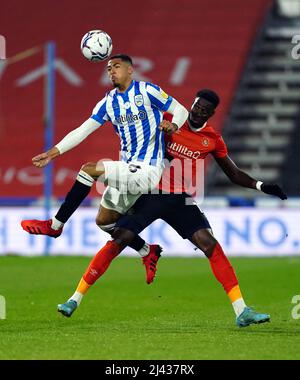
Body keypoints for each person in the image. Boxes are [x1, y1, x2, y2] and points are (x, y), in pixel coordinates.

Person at [55, 89, 287, 327]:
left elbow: (234, 173)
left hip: (179, 199)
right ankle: (74, 299)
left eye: (205, 110)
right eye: (197, 106)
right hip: (149, 193)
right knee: (119, 239)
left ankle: (242, 310)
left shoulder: (212, 139)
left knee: (210, 244)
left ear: (212, 113)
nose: (198, 112)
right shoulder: (168, 120)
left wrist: (261, 186)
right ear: (192, 103)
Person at [21, 53, 188, 265]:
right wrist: (53, 152)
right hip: (128, 169)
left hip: (148, 169)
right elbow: (82, 130)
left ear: (130, 70)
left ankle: (55, 226)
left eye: (116, 67)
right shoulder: (108, 103)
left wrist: (173, 126)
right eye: (109, 69)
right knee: (104, 221)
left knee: (88, 169)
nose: (112, 72)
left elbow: (180, 110)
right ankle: (147, 250)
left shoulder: (147, 91)